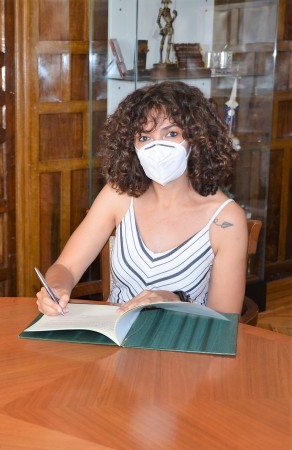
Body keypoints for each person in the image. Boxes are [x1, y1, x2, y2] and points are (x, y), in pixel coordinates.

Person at [37, 81, 248, 317]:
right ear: (131, 145)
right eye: (144, 137)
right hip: (115, 334)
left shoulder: (227, 219)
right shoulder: (118, 195)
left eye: (171, 133)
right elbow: (66, 266)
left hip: (183, 343)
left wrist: (174, 299)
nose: (157, 146)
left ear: (198, 139)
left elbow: (225, 319)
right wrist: (56, 288)